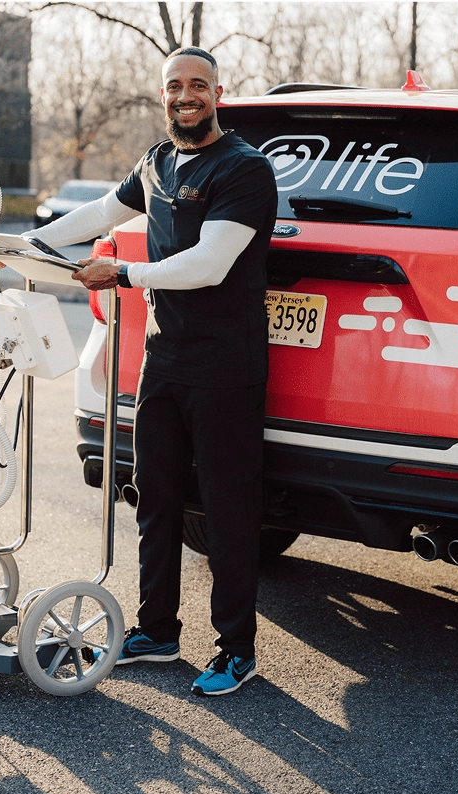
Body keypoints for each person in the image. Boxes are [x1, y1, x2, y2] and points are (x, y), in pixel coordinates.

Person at [21, 47, 278, 697]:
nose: (185, 95)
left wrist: (123, 272)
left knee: (226, 509)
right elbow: (100, 213)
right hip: (163, 362)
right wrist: (27, 245)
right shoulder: (158, 162)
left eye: (198, 85)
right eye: (173, 86)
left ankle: (236, 650)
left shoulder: (244, 169)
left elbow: (208, 265)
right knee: (155, 498)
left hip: (226, 367)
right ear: (162, 95)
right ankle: (157, 631)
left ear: (218, 93)